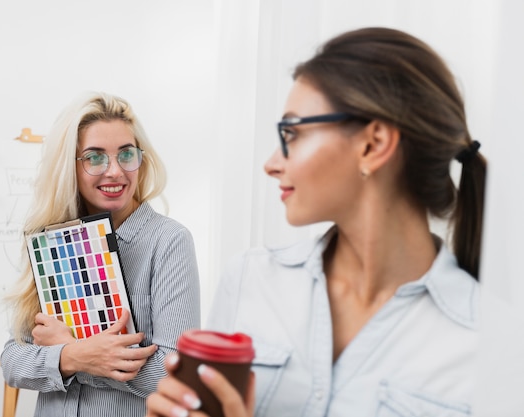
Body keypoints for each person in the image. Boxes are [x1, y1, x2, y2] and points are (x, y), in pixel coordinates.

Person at [146, 27, 486, 417]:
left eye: (291, 132)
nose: (272, 163)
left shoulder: (488, 342)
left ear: (373, 145)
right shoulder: (250, 280)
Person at [0, 91, 201, 417]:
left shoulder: (169, 242)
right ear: (70, 167)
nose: (115, 172)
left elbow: (173, 371)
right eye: (94, 157)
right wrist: (74, 356)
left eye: (126, 154)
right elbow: (12, 361)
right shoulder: (50, 241)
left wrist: (74, 355)